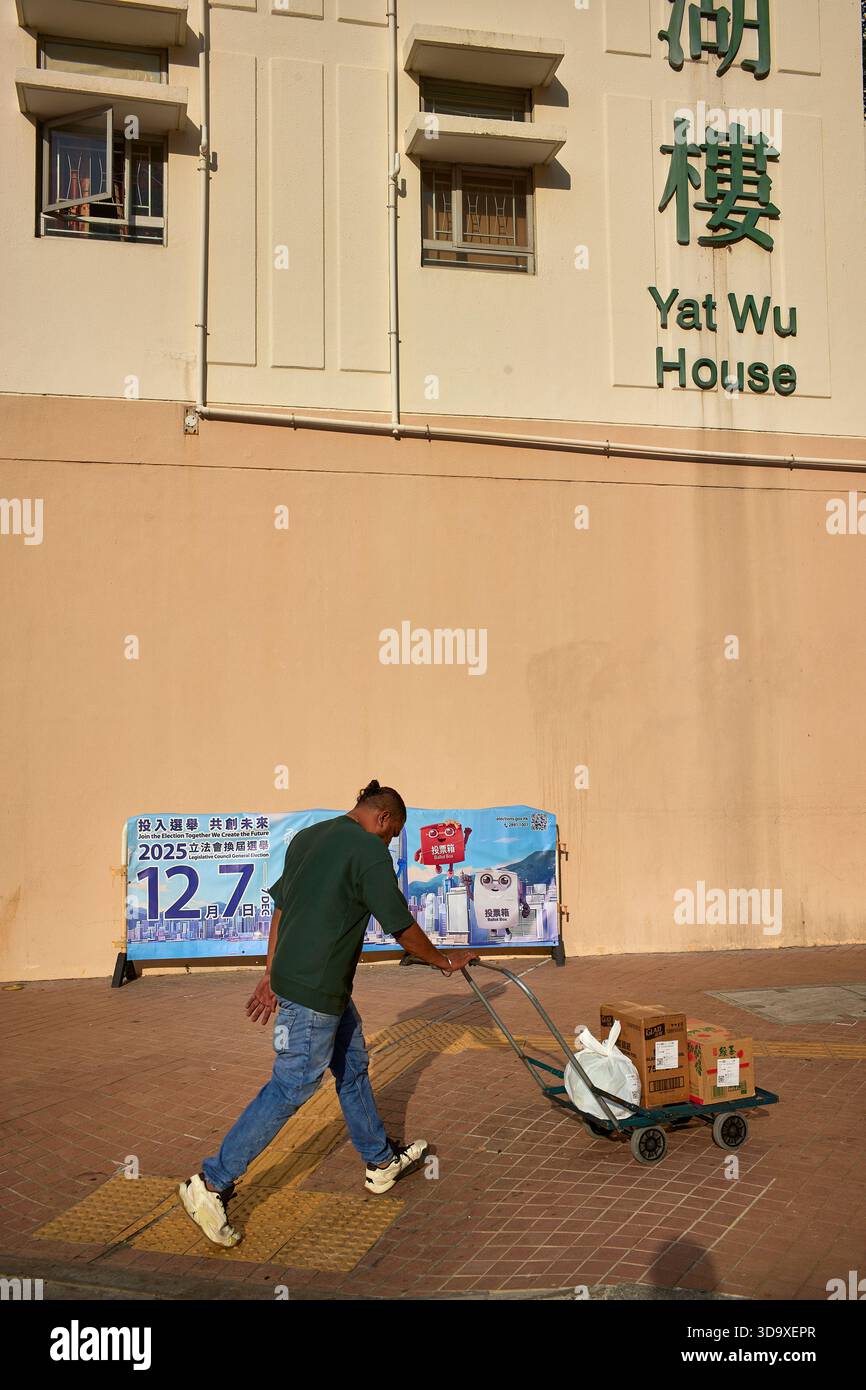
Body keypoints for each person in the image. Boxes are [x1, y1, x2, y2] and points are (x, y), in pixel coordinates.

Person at [179, 780, 475, 1247]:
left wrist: (271, 973)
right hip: (316, 994)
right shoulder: (368, 851)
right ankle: (211, 1183)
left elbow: (280, 910)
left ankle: (380, 1162)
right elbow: (401, 925)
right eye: (392, 833)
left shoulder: (309, 836)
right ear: (382, 818)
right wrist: (444, 961)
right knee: (293, 1085)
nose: (390, 842)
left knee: (353, 1068)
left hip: (319, 986)